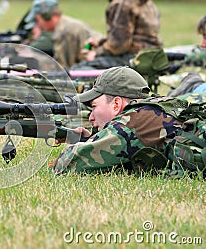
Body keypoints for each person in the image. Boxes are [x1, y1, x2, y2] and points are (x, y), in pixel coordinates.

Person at [51, 66, 190, 175]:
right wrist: (92, 141)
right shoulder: (155, 109)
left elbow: (65, 166)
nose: (91, 117)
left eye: (94, 107)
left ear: (116, 104)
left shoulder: (131, 122)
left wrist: (72, 145)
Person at [72, 0, 162, 70]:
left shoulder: (122, 3)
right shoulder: (147, 2)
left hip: (131, 60)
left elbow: (119, 45)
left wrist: (96, 53)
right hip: (150, 58)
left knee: (79, 70)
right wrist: (101, 43)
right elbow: (134, 38)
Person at [22, 0, 102, 70]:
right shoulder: (65, 25)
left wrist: (33, 57)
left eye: (37, 20)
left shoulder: (64, 32)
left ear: (47, 16)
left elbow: (63, 70)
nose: (38, 25)